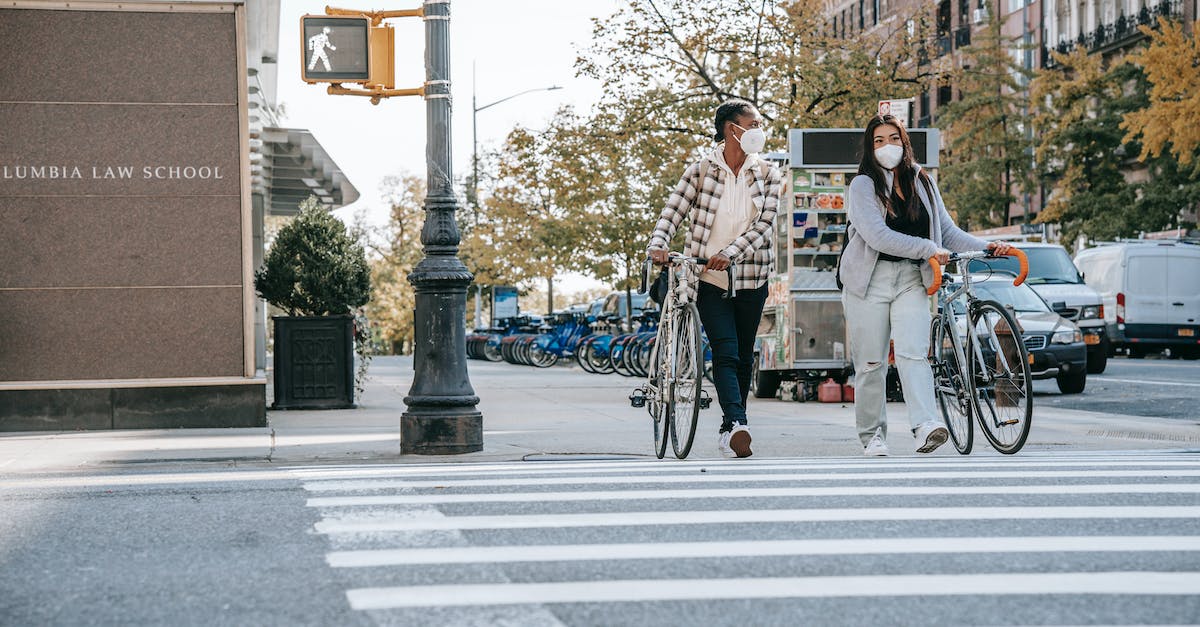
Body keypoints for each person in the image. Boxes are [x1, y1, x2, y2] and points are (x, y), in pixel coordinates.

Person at [839, 114, 1013, 456]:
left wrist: (987, 246)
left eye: (892, 138)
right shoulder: (862, 185)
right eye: (877, 141)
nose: (885, 146)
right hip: (868, 281)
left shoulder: (924, 183)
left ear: (904, 143)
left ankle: (925, 426)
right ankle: (873, 435)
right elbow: (877, 236)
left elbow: (947, 232)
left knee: (913, 353)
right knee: (871, 363)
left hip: (911, 279)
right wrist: (928, 249)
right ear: (869, 148)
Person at [647, 99, 783, 458]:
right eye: (751, 124)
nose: (758, 130)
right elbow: (673, 211)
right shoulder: (701, 171)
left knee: (743, 354)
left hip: (751, 275)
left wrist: (732, 252)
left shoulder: (769, 174)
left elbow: (765, 225)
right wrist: (658, 244)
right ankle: (738, 424)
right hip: (706, 274)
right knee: (725, 349)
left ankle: (730, 425)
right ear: (730, 129)